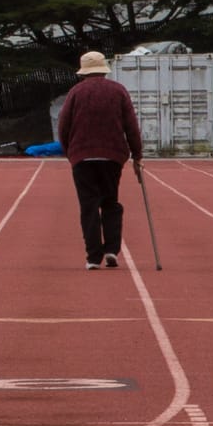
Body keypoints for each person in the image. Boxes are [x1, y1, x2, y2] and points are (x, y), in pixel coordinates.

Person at [57, 50, 144, 270]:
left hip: (82, 156)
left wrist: (71, 153)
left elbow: (63, 126)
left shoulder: (75, 92)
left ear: (84, 71)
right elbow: (131, 126)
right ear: (104, 69)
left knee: (89, 206)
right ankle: (112, 250)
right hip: (112, 156)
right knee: (110, 202)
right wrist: (137, 154)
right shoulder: (119, 91)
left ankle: (93, 257)